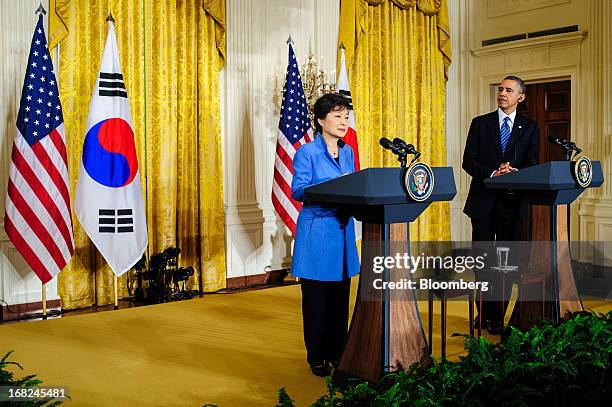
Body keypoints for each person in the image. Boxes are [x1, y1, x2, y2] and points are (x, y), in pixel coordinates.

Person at [462, 75, 540, 334]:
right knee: (483, 263)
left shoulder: (530, 128)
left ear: (521, 97)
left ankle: (499, 318)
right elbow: (468, 161)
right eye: (500, 89)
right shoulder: (480, 124)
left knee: (505, 265)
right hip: (483, 203)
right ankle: (483, 313)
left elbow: (533, 164)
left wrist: (514, 171)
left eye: (509, 90)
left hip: (512, 205)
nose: (502, 93)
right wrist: (493, 173)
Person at [291, 93, 360, 377]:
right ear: (321, 121)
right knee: (317, 302)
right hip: (317, 234)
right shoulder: (307, 152)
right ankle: (317, 357)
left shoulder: (348, 152)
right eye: (337, 116)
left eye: (346, 117)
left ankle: (337, 353)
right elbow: (298, 190)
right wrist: (330, 188)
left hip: (342, 234)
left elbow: (355, 185)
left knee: (339, 301)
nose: (344, 122)